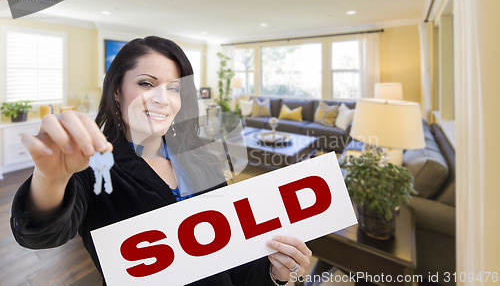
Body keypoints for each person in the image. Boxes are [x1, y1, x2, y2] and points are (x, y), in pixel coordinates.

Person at [11, 36, 312, 285]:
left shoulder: (201, 161)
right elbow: (40, 234)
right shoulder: (92, 168)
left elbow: (233, 259)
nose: (162, 99)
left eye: (174, 88)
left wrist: (275, 274)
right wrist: (51, 178)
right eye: (146, 83)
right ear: (117, 91)